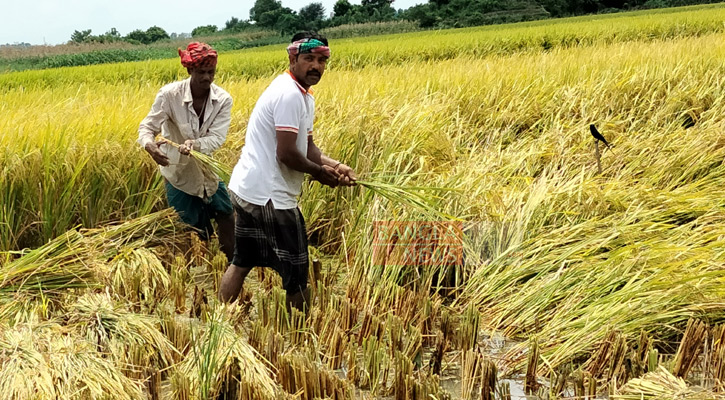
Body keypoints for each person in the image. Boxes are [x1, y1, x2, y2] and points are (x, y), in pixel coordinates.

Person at [219, 32, 356, 311]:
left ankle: (222, 320)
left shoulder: (303, 95)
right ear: (293, 58)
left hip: (249, 190)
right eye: (309, 59)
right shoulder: (289, 95)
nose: (316, 66)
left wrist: (336, 166)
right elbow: (287, 154)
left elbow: (307, 146)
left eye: (321, 60)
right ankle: (299, 337)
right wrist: (319, 173)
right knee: (297, 274)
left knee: (242, 261)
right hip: (271, 197)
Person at [138, 42, 235, 261]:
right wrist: (149, 145)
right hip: (178, 174)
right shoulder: (170, 95)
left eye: (211, 72)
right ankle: (191, 273)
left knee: (227, 215)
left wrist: (195, 144)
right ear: (190, 70)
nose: (206, 78)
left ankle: (233, 264)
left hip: (207, 173)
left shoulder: (222, 100)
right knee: (187, 229)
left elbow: (217, 138)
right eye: (201, 72)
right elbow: (147, 127)